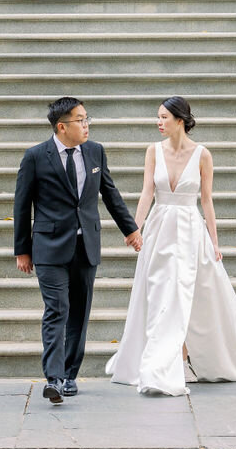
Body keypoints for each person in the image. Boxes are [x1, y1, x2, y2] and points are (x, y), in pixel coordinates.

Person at [106, 96, 236, 397]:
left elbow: (207, 200)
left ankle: (171, 362)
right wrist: (134, 228)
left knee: (183, 294)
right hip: (160, 228)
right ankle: (169, 359)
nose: (158, 122)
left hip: (190, 231)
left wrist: (214, 243)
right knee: (161, 292)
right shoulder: (153, 151)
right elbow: (147, 192)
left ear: (179, 120)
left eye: (163, 117)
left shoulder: (202, 155)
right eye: (157, 117)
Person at [14, 96, 143, 403]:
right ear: (61, 127)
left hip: (86, 247)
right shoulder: (35, 157)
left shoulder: (95, 151)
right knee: (57, 310)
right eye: (80, 120)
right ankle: (54, 378)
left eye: (87, 119)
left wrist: (131, 230)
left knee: (79, 313)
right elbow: (21, 205)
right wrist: (22, 250)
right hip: (49, 248)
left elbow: (110, 193)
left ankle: (70, 374)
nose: (86, 125)